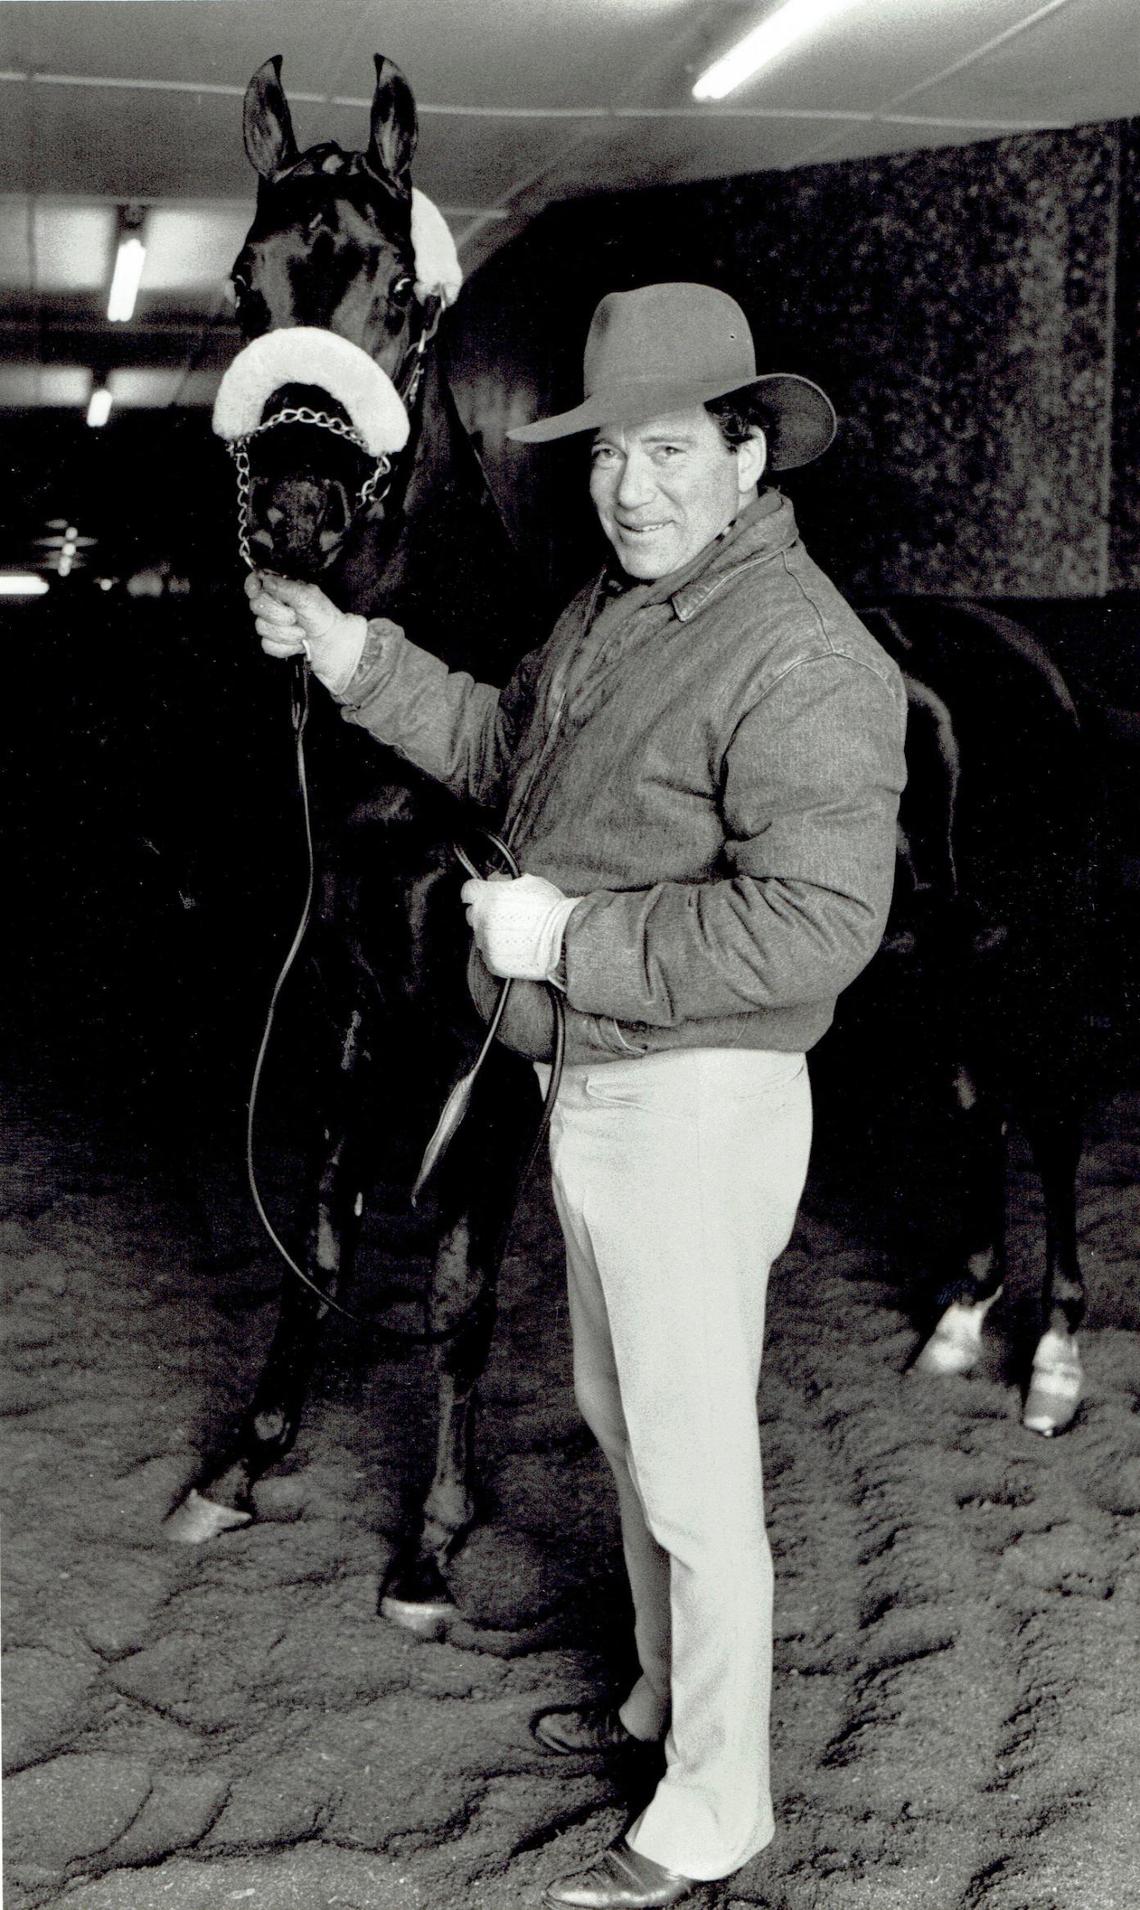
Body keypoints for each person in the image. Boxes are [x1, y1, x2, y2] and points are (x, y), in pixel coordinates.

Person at [247, 281, 907, 1910]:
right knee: (627, 1426)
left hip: (697, 1095)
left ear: (748, 456)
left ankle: (715, 1808)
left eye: (670, 450)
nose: (631, 487)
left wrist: (567, 937)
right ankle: (667, 1707)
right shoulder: (618, 606)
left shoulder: (800, 652)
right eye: (610, 452)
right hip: (598, 1086)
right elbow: (503, 748)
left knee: (692, 1469)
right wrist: (349, 653)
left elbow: (820, 921)